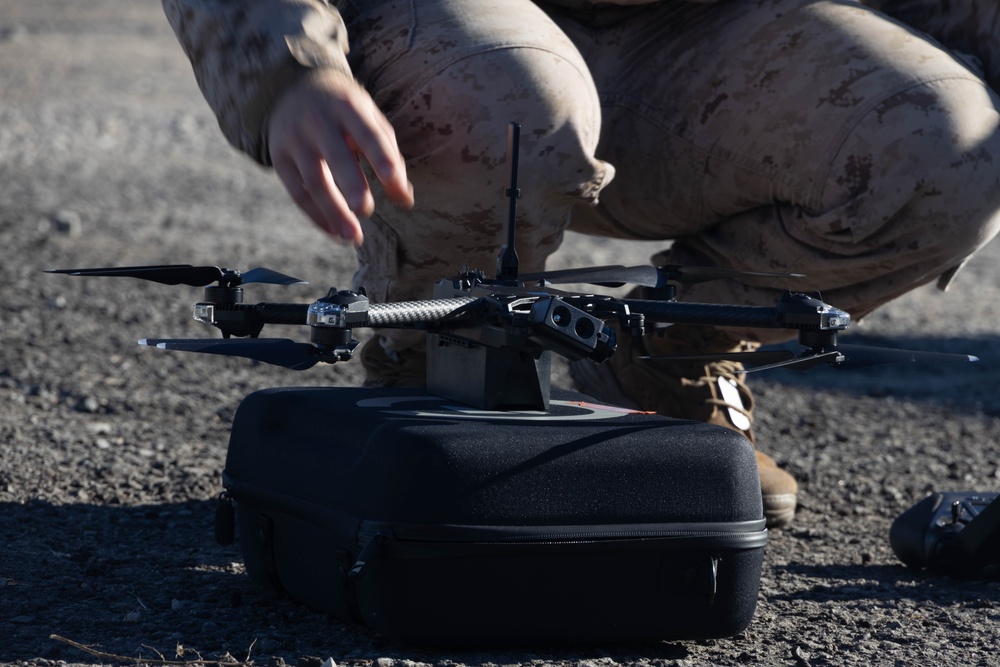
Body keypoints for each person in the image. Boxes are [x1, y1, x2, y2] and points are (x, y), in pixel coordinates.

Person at [161, 0, 1000, 529]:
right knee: (504, 104)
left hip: (703, 39)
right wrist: (287, 66)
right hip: (457, 36)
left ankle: (663, 365)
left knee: (949, 150)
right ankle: (435, 386)